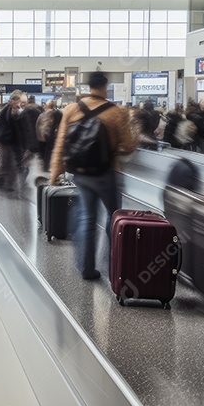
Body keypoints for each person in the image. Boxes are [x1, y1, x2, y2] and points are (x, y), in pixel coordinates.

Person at [49, 72, 137, 280]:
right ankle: (114, 265)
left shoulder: (71, 110)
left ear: (88, 86)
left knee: (87, 218)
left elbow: (60, 144)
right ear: (105, 86)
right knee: (114, 217)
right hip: (108, 172)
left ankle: (87, 268)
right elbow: (129, 145)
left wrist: (55, 173)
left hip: (81, 174)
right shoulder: (116, 112)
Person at [35, 100, 62, 171]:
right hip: (53, 135)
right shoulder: (58, 113)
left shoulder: (43, 114)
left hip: (44, 137)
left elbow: (38, 125)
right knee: (51, 152)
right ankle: (50, 167)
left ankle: (46, 167)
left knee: (46, 153)